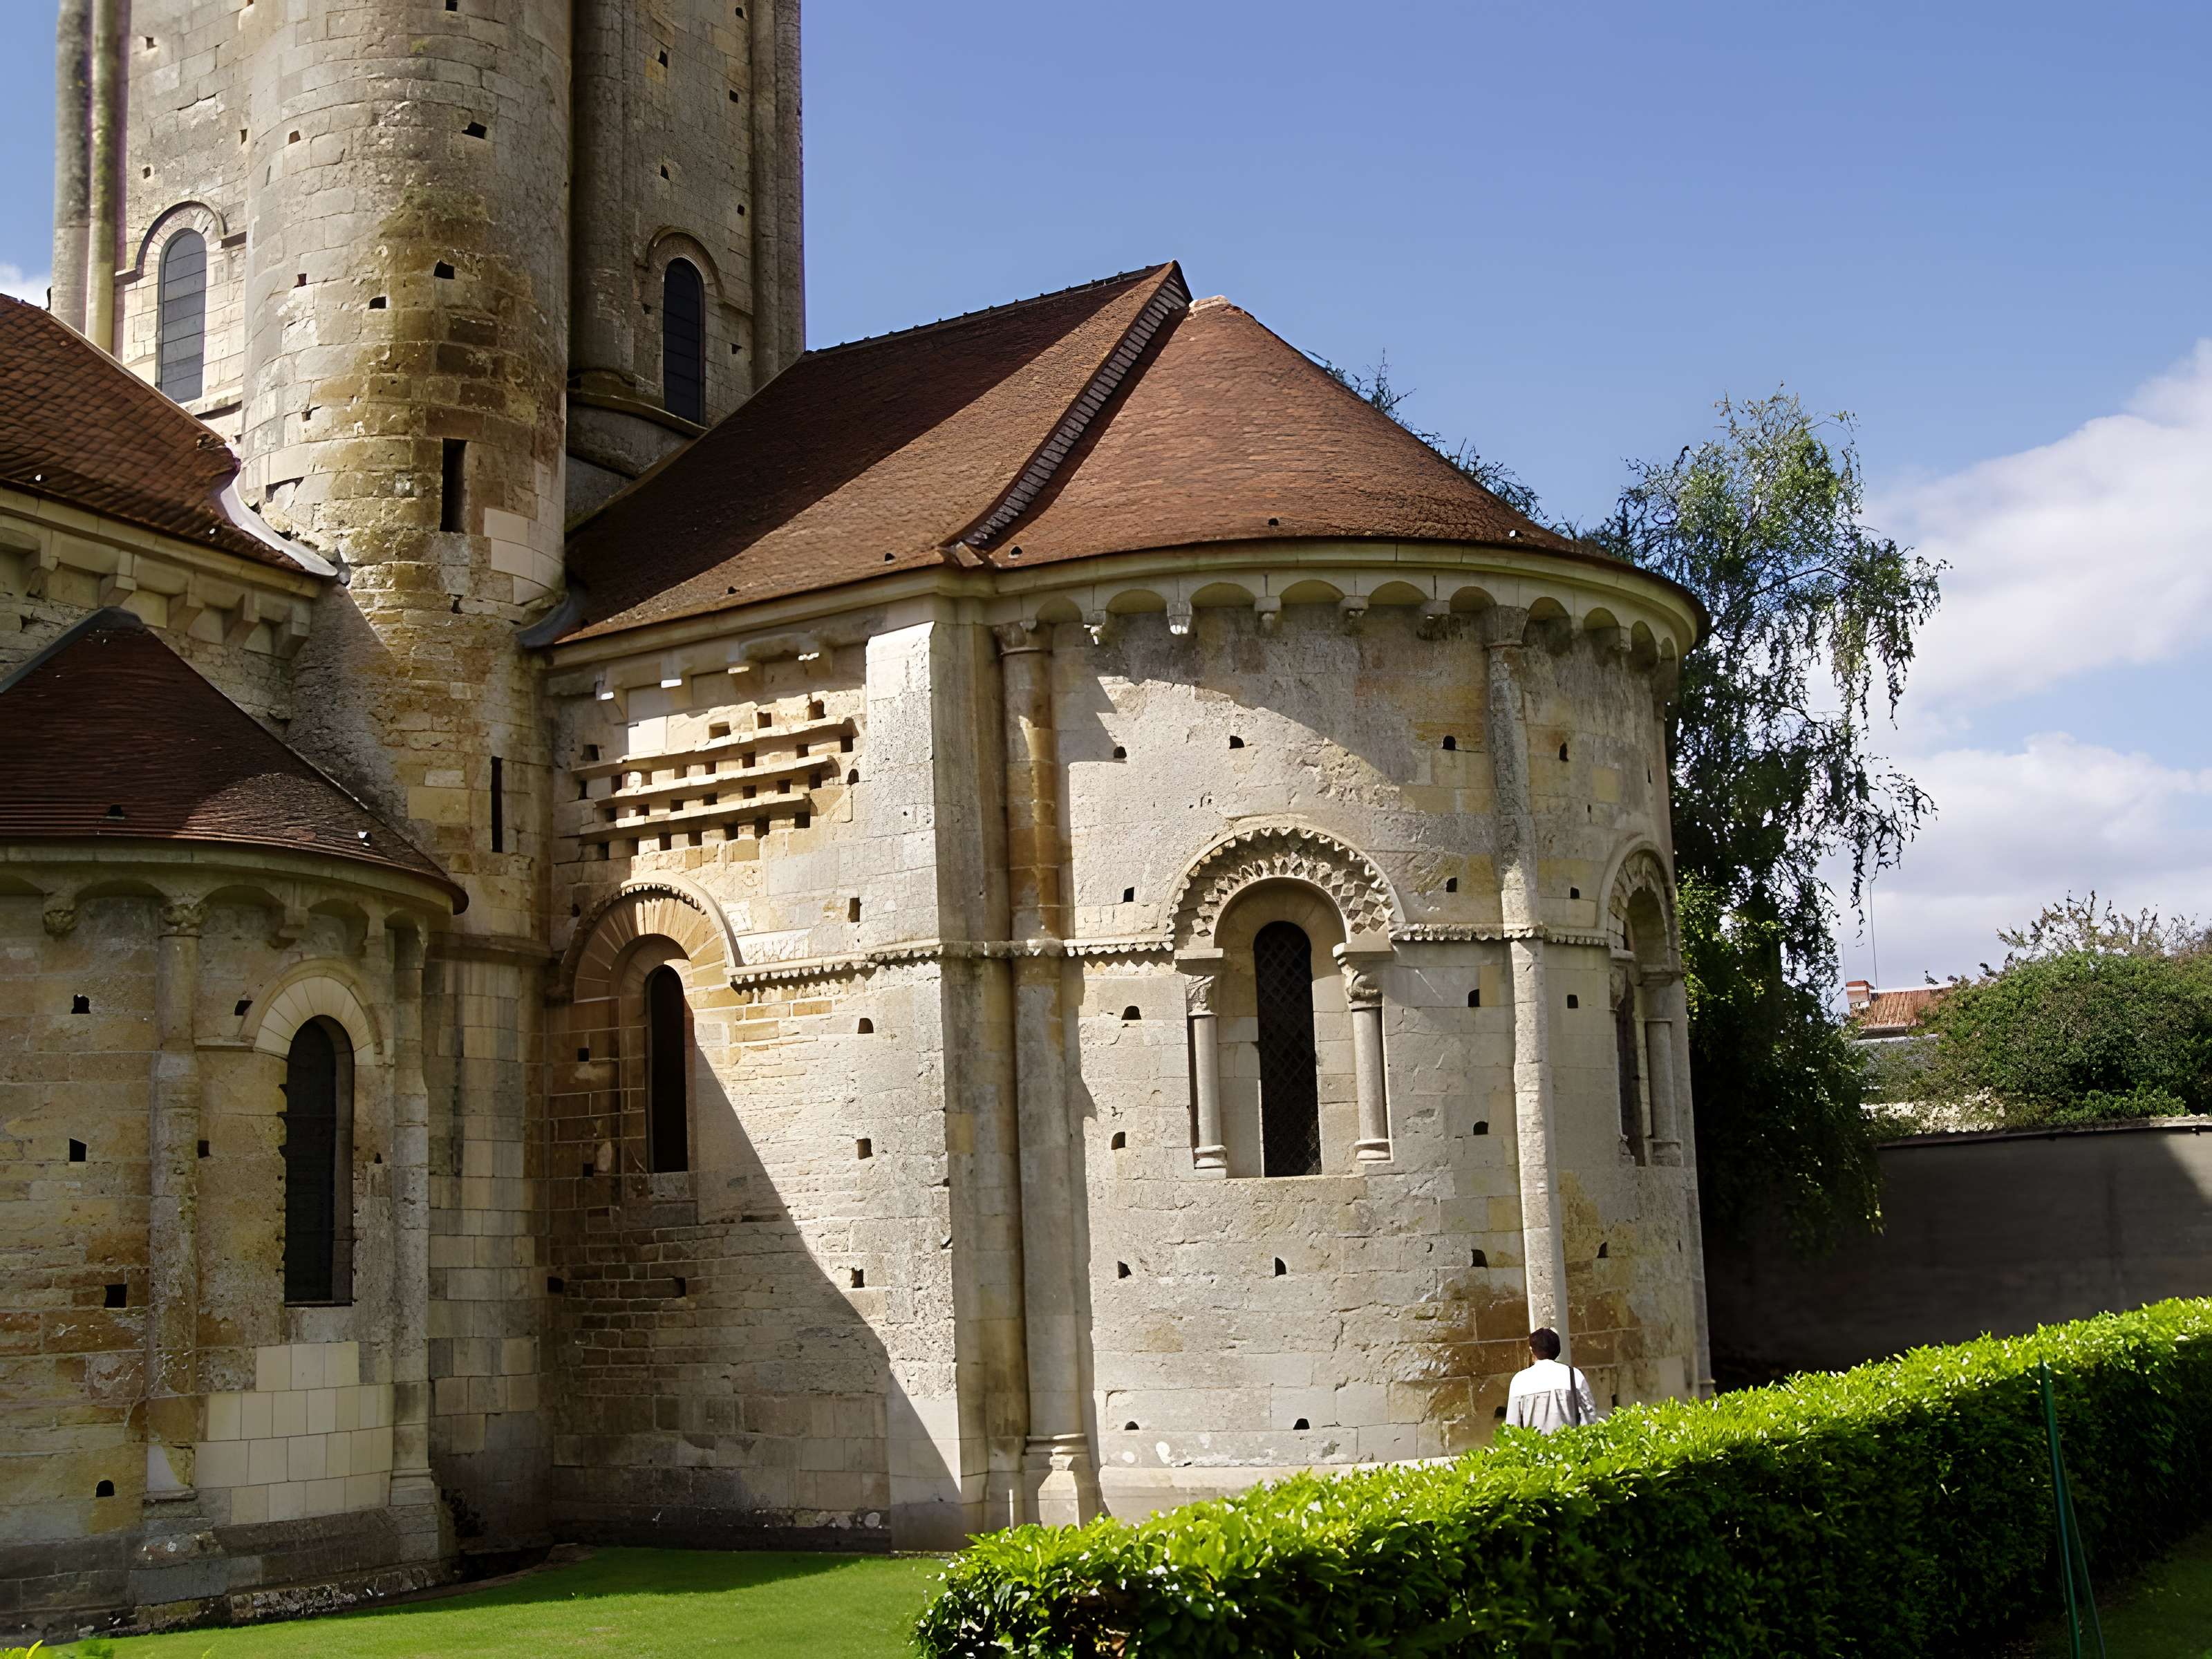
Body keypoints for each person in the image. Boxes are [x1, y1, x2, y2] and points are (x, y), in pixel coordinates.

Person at [1504, 1327, 1601, 1433]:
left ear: (1532, 1351)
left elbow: (1512, 1426)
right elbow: (1590, 1417)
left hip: (1534, 1443)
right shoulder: (1573, 1375)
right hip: (1569, 1442)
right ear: (1557, 1350)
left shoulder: (1519, 1381)